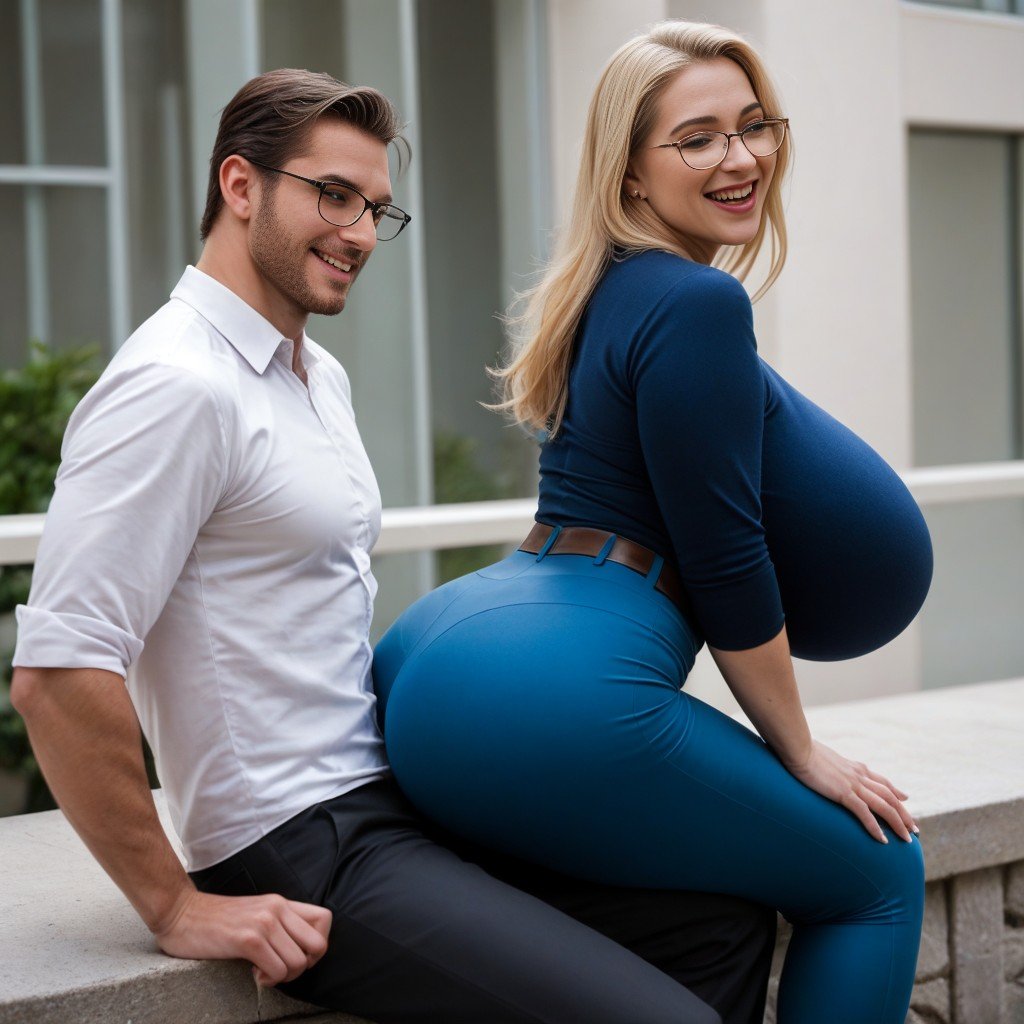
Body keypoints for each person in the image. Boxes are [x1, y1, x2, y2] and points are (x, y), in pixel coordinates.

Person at [10, 67, 778, 1024]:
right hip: (298, 841)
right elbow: (60, 668)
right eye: (333, 196)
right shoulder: (173, 386)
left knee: (721, 925)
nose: (361, 234)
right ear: (240, 187)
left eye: (377, 208)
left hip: (392, 796)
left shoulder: (313, 374)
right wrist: (171, 903)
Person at [373, 21, 934, 1024]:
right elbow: (724, 550)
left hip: (443, 653)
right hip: (559, 694)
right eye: (700, 136)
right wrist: (798, 747)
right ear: (629, 172)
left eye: (754, 126)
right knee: (876, 874)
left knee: (699, 909)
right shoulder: (694, 302)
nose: (742, 157)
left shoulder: (605, 289)